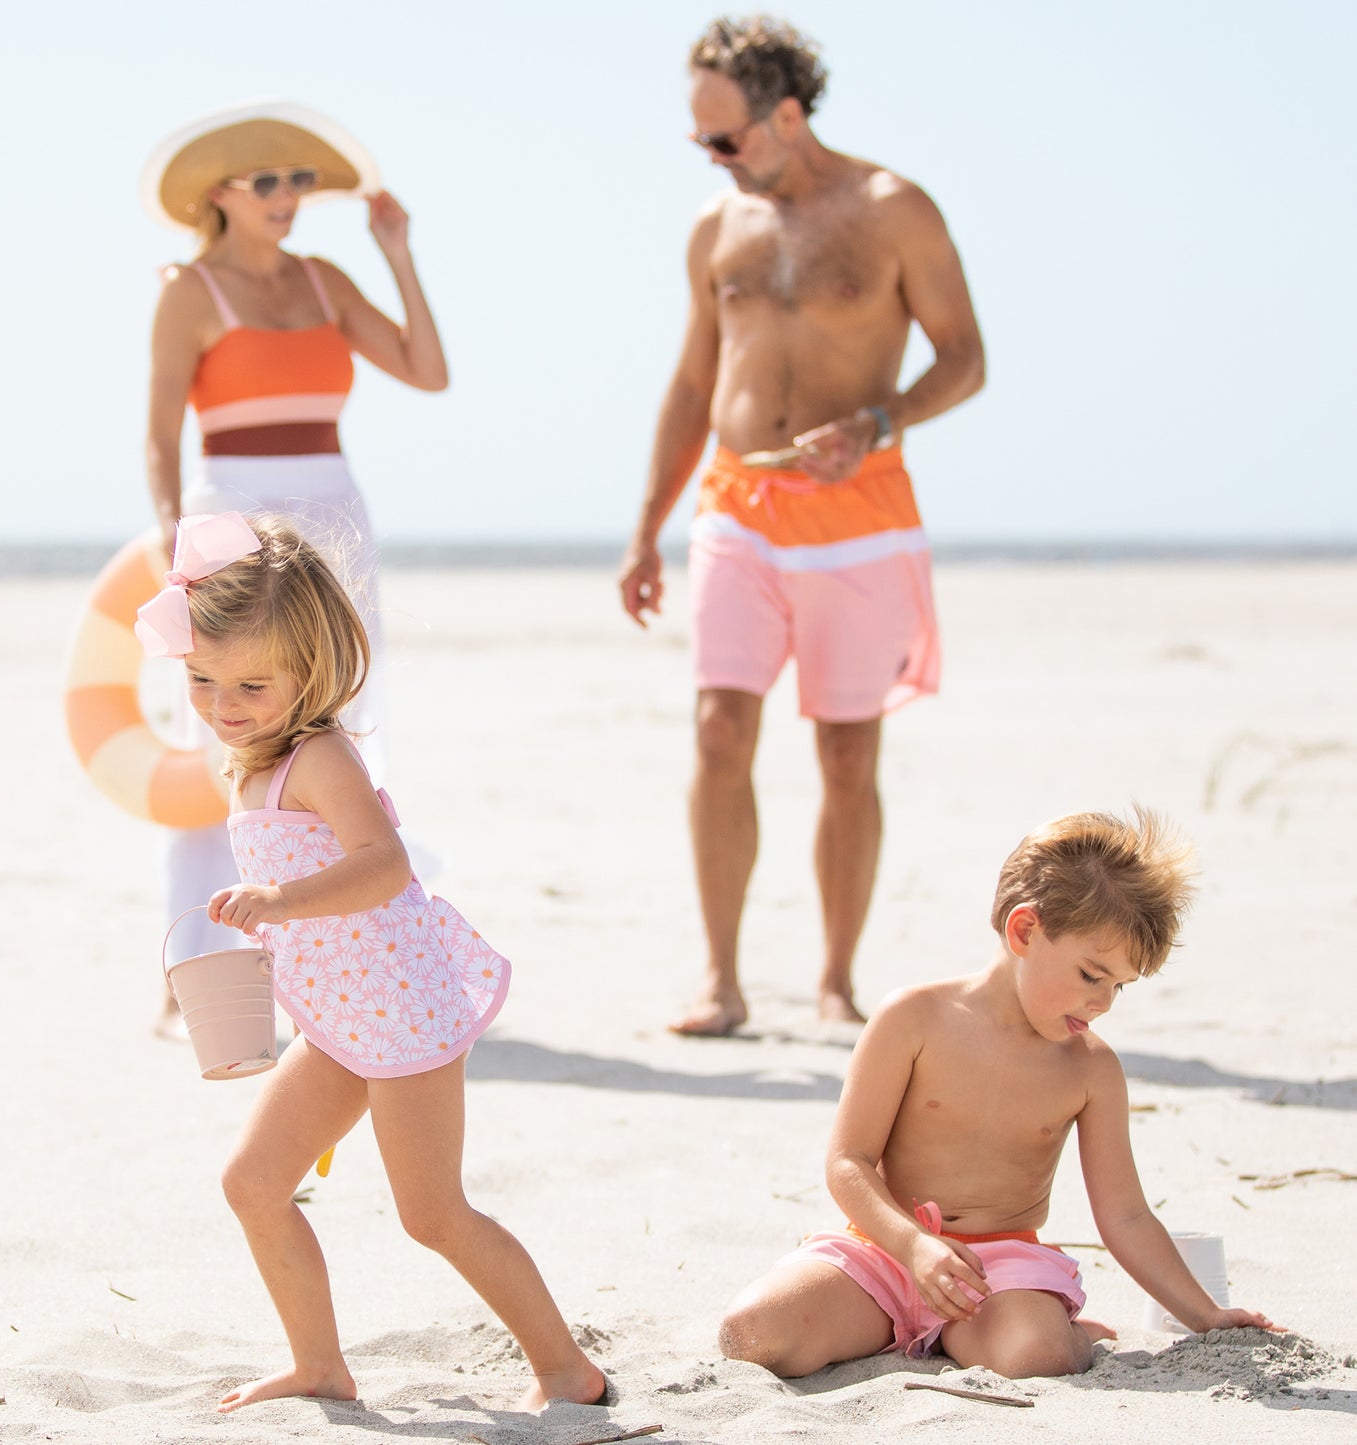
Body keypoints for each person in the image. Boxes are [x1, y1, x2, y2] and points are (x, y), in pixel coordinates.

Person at [134, 512, 605, 1412]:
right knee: (252, 1182)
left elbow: (384, 862)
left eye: (250, 684)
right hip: (341, 1016)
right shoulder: (254, 757)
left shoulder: (320, 756)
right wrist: (266, 929)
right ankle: (318, 1364)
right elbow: (302, 885)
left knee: (432, 1213)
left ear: (310, 669)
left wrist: (280, 904)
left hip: (406, 1013)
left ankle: (564, 1369)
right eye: (200, 679)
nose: (223, 704)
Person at [617, 17, 985, 1036]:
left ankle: (834, 979)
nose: (712, 159)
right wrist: (646, 527)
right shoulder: (716, 226)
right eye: (699, 143)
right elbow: (694, 380)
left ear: (785, 116)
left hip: (860, 513)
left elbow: (963, 355)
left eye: (725, 138)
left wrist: (879, 420)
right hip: (735, 505)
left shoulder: (892, 209)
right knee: (719, 729)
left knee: (843, 754)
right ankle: (720, 980)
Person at [717, 809, 1282, 1379]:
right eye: (1091, 974)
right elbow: (848, 1163)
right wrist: (914, 1248)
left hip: (1000, 1273)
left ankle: (1064, 1332)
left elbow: (1127, 1216)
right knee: (753, 1334)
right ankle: (922, 1328)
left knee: (1039, 1358)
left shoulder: (1091, 1069)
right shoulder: (911, 1019)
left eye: (1118, 986)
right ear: (1025, 930)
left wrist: (1205, 1314)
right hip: (886, 1251)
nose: (1103, 1002)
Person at [140, 100, 448, 989]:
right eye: (269, 181)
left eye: (300, 180)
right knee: (221, 733)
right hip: (228, 508)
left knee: (342, 718)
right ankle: (200, 967)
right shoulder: (188, 291)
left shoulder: (322, 281)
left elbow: (427, 371)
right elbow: (161, 431)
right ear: (221, 195)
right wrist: (174, 536)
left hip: (331, 514)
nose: (289, 196)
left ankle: (334, 952)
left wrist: (397, 255)